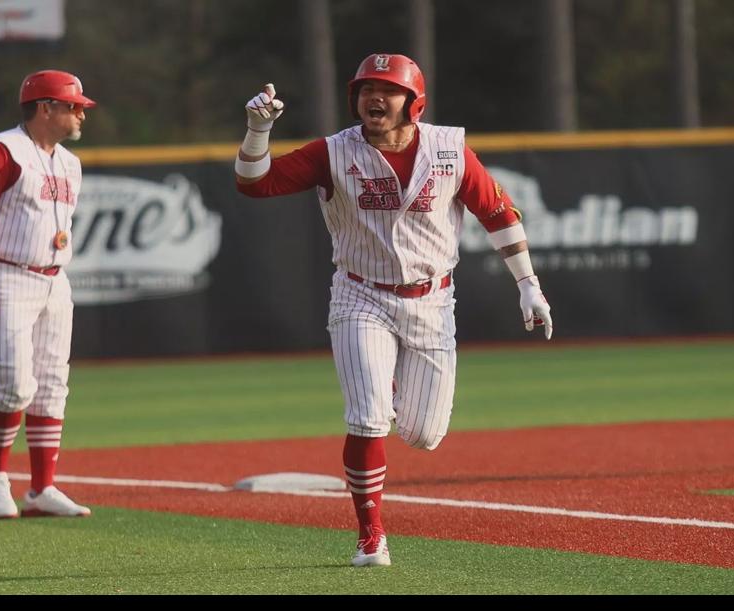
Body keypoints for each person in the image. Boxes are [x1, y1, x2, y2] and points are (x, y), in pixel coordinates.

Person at [234, 53, 553, 567]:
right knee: (367, 417)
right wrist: (256, 131)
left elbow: (498, 211)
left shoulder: (449, 149)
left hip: (431, 300)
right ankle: (370, 535)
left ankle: (392, 384)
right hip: (360, 295)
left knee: (424, 435)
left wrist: (528, 285)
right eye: (365, 90)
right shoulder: (334, 152)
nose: (374, 99)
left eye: (388, 90)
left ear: (414, 102)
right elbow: (255, 183)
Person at [0, 70, 97, 519]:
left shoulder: (69, 162)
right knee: (15, 384)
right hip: (5, 274)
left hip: (55, 279)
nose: (80, 114)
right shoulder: (1, 151)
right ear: (45, 108)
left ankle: (42, 487)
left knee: (52, 384)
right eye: (73, 106)